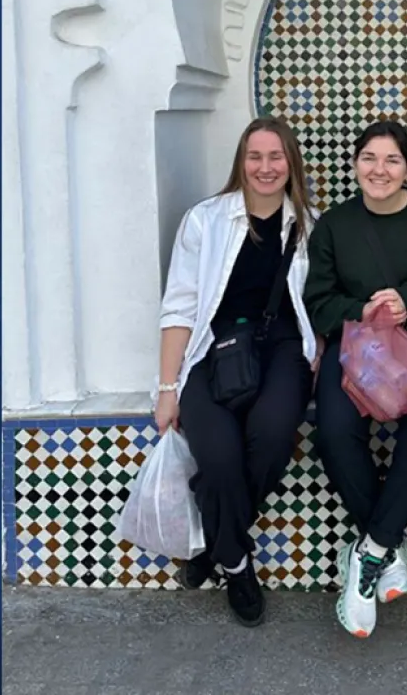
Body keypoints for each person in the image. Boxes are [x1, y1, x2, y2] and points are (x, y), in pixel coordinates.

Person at [154, 116, 322, 627]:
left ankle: (217, 547)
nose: (266, 168)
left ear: (291, 161)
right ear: (240, 161)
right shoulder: (205, 220)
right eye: (256, 157)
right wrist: (167, 387)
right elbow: (180, 306)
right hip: (214, 350)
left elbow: (324, 299)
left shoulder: (310, 224)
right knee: (220, 457)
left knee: (271, 437)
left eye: (276, 157)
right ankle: (234, 558)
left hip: (285, 352)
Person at [302, 120, 407, 639]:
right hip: (356, 352)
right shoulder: (335, 226)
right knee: (334, 430)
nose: (379, 170)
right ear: (355, 164)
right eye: (369, 158)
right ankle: (384, 548)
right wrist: (360, 308)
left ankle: (366, 553)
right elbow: (317, 300)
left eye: (391, 160)